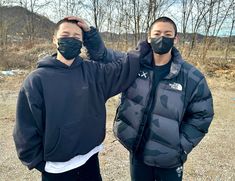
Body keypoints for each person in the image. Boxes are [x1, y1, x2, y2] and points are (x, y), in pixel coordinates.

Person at [13, 17, 146, 181]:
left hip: (90, 160)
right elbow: (25, 127)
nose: (70, 39)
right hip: (56, 169)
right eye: (65, 35)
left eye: (76, 37)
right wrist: (39, 163)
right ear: (54, 39)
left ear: (82, 42)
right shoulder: (37, 80)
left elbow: (122, 67)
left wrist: (146, 45)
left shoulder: (94, 72)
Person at [83, 16, 214, 181]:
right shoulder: (133, 64)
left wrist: (180, 146)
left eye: (167, 34)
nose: (161, 38)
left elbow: (202, 114)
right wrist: (89, 34)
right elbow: (103, 56)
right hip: (138, 153)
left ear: (175, 38)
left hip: (169, 161)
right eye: (157, 33)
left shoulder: (191, 76)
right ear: (149, 37)